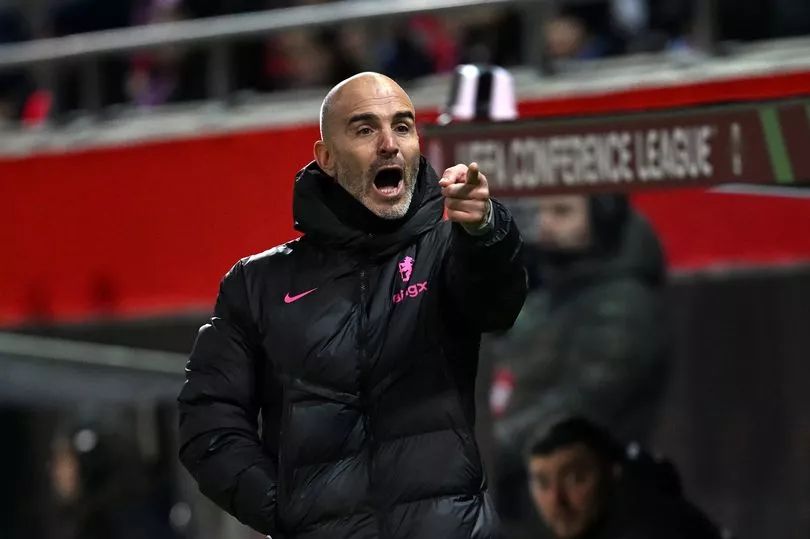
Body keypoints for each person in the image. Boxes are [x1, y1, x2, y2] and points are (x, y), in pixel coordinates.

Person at [178, 72, 527, 539]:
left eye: (403, 127)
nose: (389, 143)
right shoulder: (256, 284)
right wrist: (290, 511)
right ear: (325, 158)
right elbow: (208, 422)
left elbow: (497, 304)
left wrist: (487, 231)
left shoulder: (448, 249)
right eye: (365, 129)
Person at [484, 194, 669, 537]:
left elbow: (581, 402)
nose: (547, 224)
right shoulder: (557, 287)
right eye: (543, 211)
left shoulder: (622, 303)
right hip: (529, 489)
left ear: (604, 218)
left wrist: (492, 443)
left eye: (563, 211)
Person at [526, 417, 726, 539]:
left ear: (614, 472)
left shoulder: (655, 527)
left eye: (575, 479)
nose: (556, 500)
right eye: (542, 483)